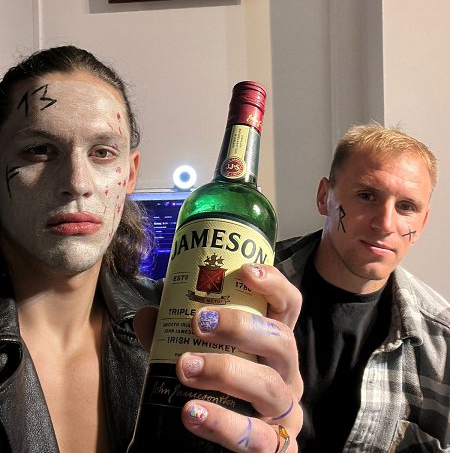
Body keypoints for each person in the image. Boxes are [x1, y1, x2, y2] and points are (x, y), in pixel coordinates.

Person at [0, 45, 303, 453]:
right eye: (39, 149)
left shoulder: (178, 325)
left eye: (103, 152)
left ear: (130, 174)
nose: (77, 183)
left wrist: (275, 429)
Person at [276, 124, 450, 452]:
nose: (385, 224)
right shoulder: (243, 286)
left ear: (422, 223)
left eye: (406, 207)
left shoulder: (441, 343)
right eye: (367, 196)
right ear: (324, 197)